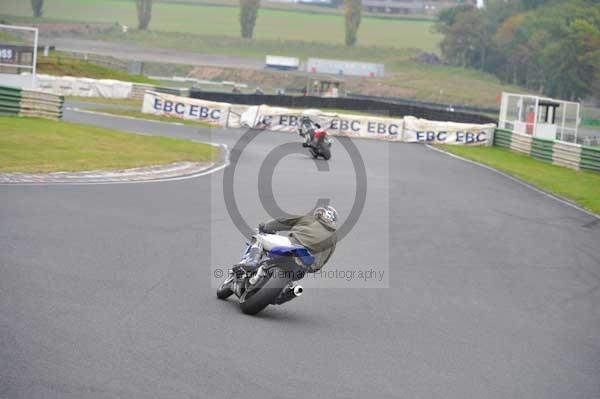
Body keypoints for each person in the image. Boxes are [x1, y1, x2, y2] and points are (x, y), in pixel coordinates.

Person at [258, 206, 338, 272]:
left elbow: (284, 222)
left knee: (259, 239)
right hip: (308, 265)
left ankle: (250, 261)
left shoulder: (311, 220)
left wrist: (266, 226)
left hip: (293, 246)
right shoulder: (334, 237)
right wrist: (315, 267)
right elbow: (326, 258)